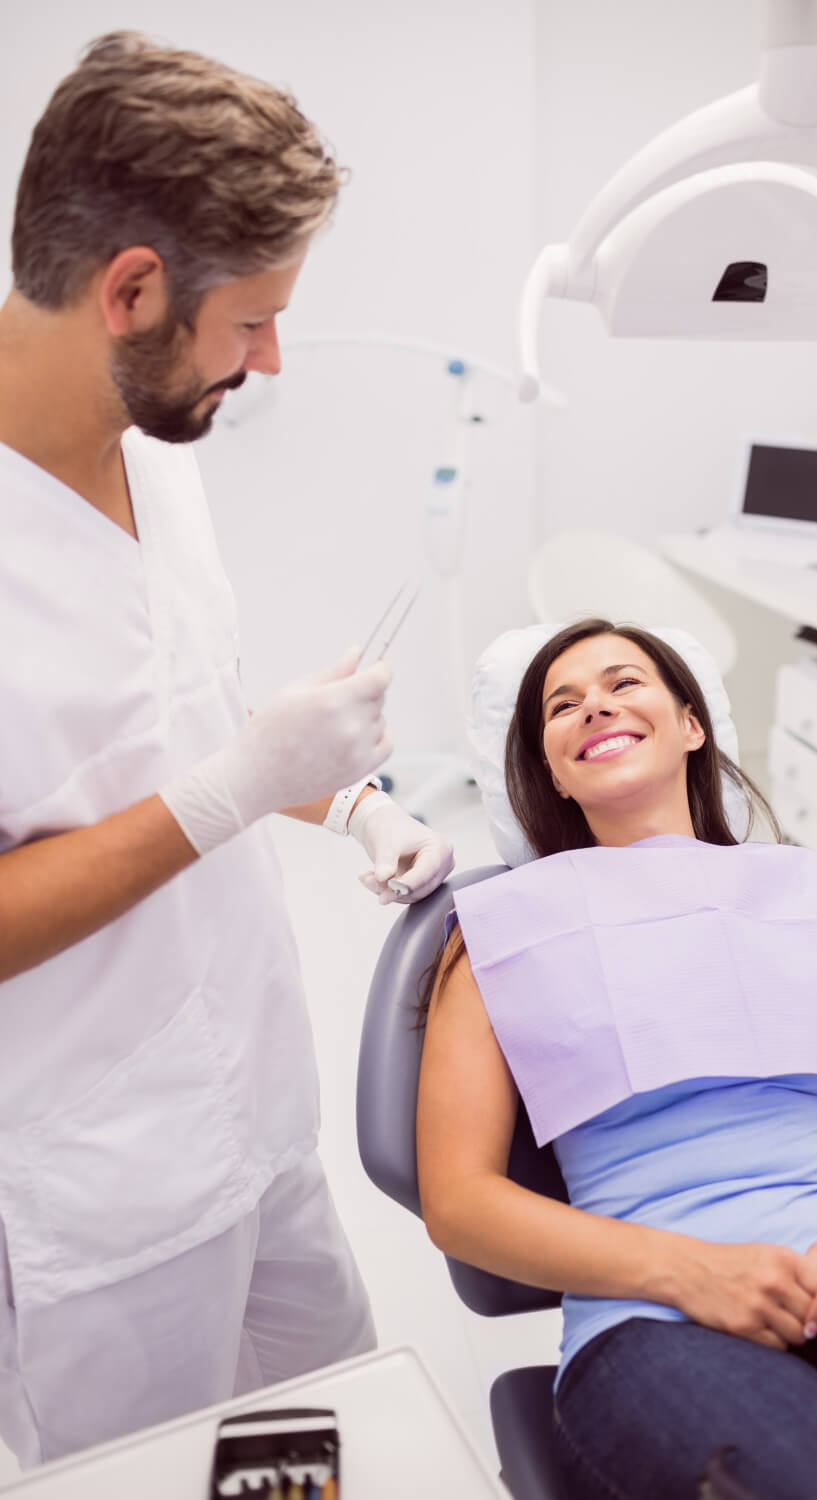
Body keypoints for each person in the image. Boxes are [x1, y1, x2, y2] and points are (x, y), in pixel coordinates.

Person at [0, 32, 453, 1467]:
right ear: (130, 289)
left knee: (335, 1447)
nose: (271, 360)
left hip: (259, 1121)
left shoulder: (158, 445)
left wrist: (349, 799)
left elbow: (193, 721)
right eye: (251, 321)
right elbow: (207, 784)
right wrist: (238, 785)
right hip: (102, 1199)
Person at [417, 618, 817, 1500]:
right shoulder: (500, 932)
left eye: (624, 683)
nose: (596, 707)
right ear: (553, 772)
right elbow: (459, 1201)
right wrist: (687, 1271)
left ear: (692, 725)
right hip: (651, 1322)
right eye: (563, 705)